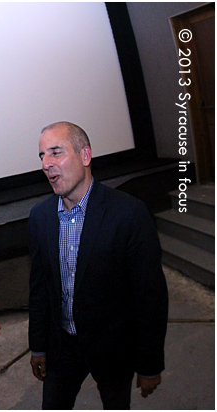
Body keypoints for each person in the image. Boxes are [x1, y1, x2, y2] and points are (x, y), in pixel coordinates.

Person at [28, 121, 169, 409]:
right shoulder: (40, 217)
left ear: (85, 156)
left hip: (113, 348)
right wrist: (39, 346)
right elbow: (40, 287)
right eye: (42, 156)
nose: (47, 164)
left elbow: (150, 296)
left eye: (56, 152)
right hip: (62, 346)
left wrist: (149, 364)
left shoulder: (129, 213)